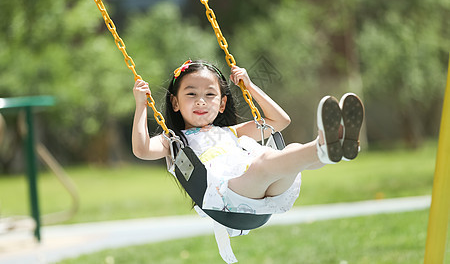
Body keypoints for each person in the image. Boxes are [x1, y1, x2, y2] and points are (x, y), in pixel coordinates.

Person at [132, 59, 364, 262]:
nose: (201, 101)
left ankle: (334, 148)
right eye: (191, 94)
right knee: (264, 163)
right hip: (227, 199)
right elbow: (142, 149)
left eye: (210, 94)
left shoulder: (233, 132)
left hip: (266, 195)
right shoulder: (174, 142)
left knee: (289, 151)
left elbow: (279, 121)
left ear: (222, 104)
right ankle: (322, 146)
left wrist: (249, 86)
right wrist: (141, 105)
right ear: (175, 103)